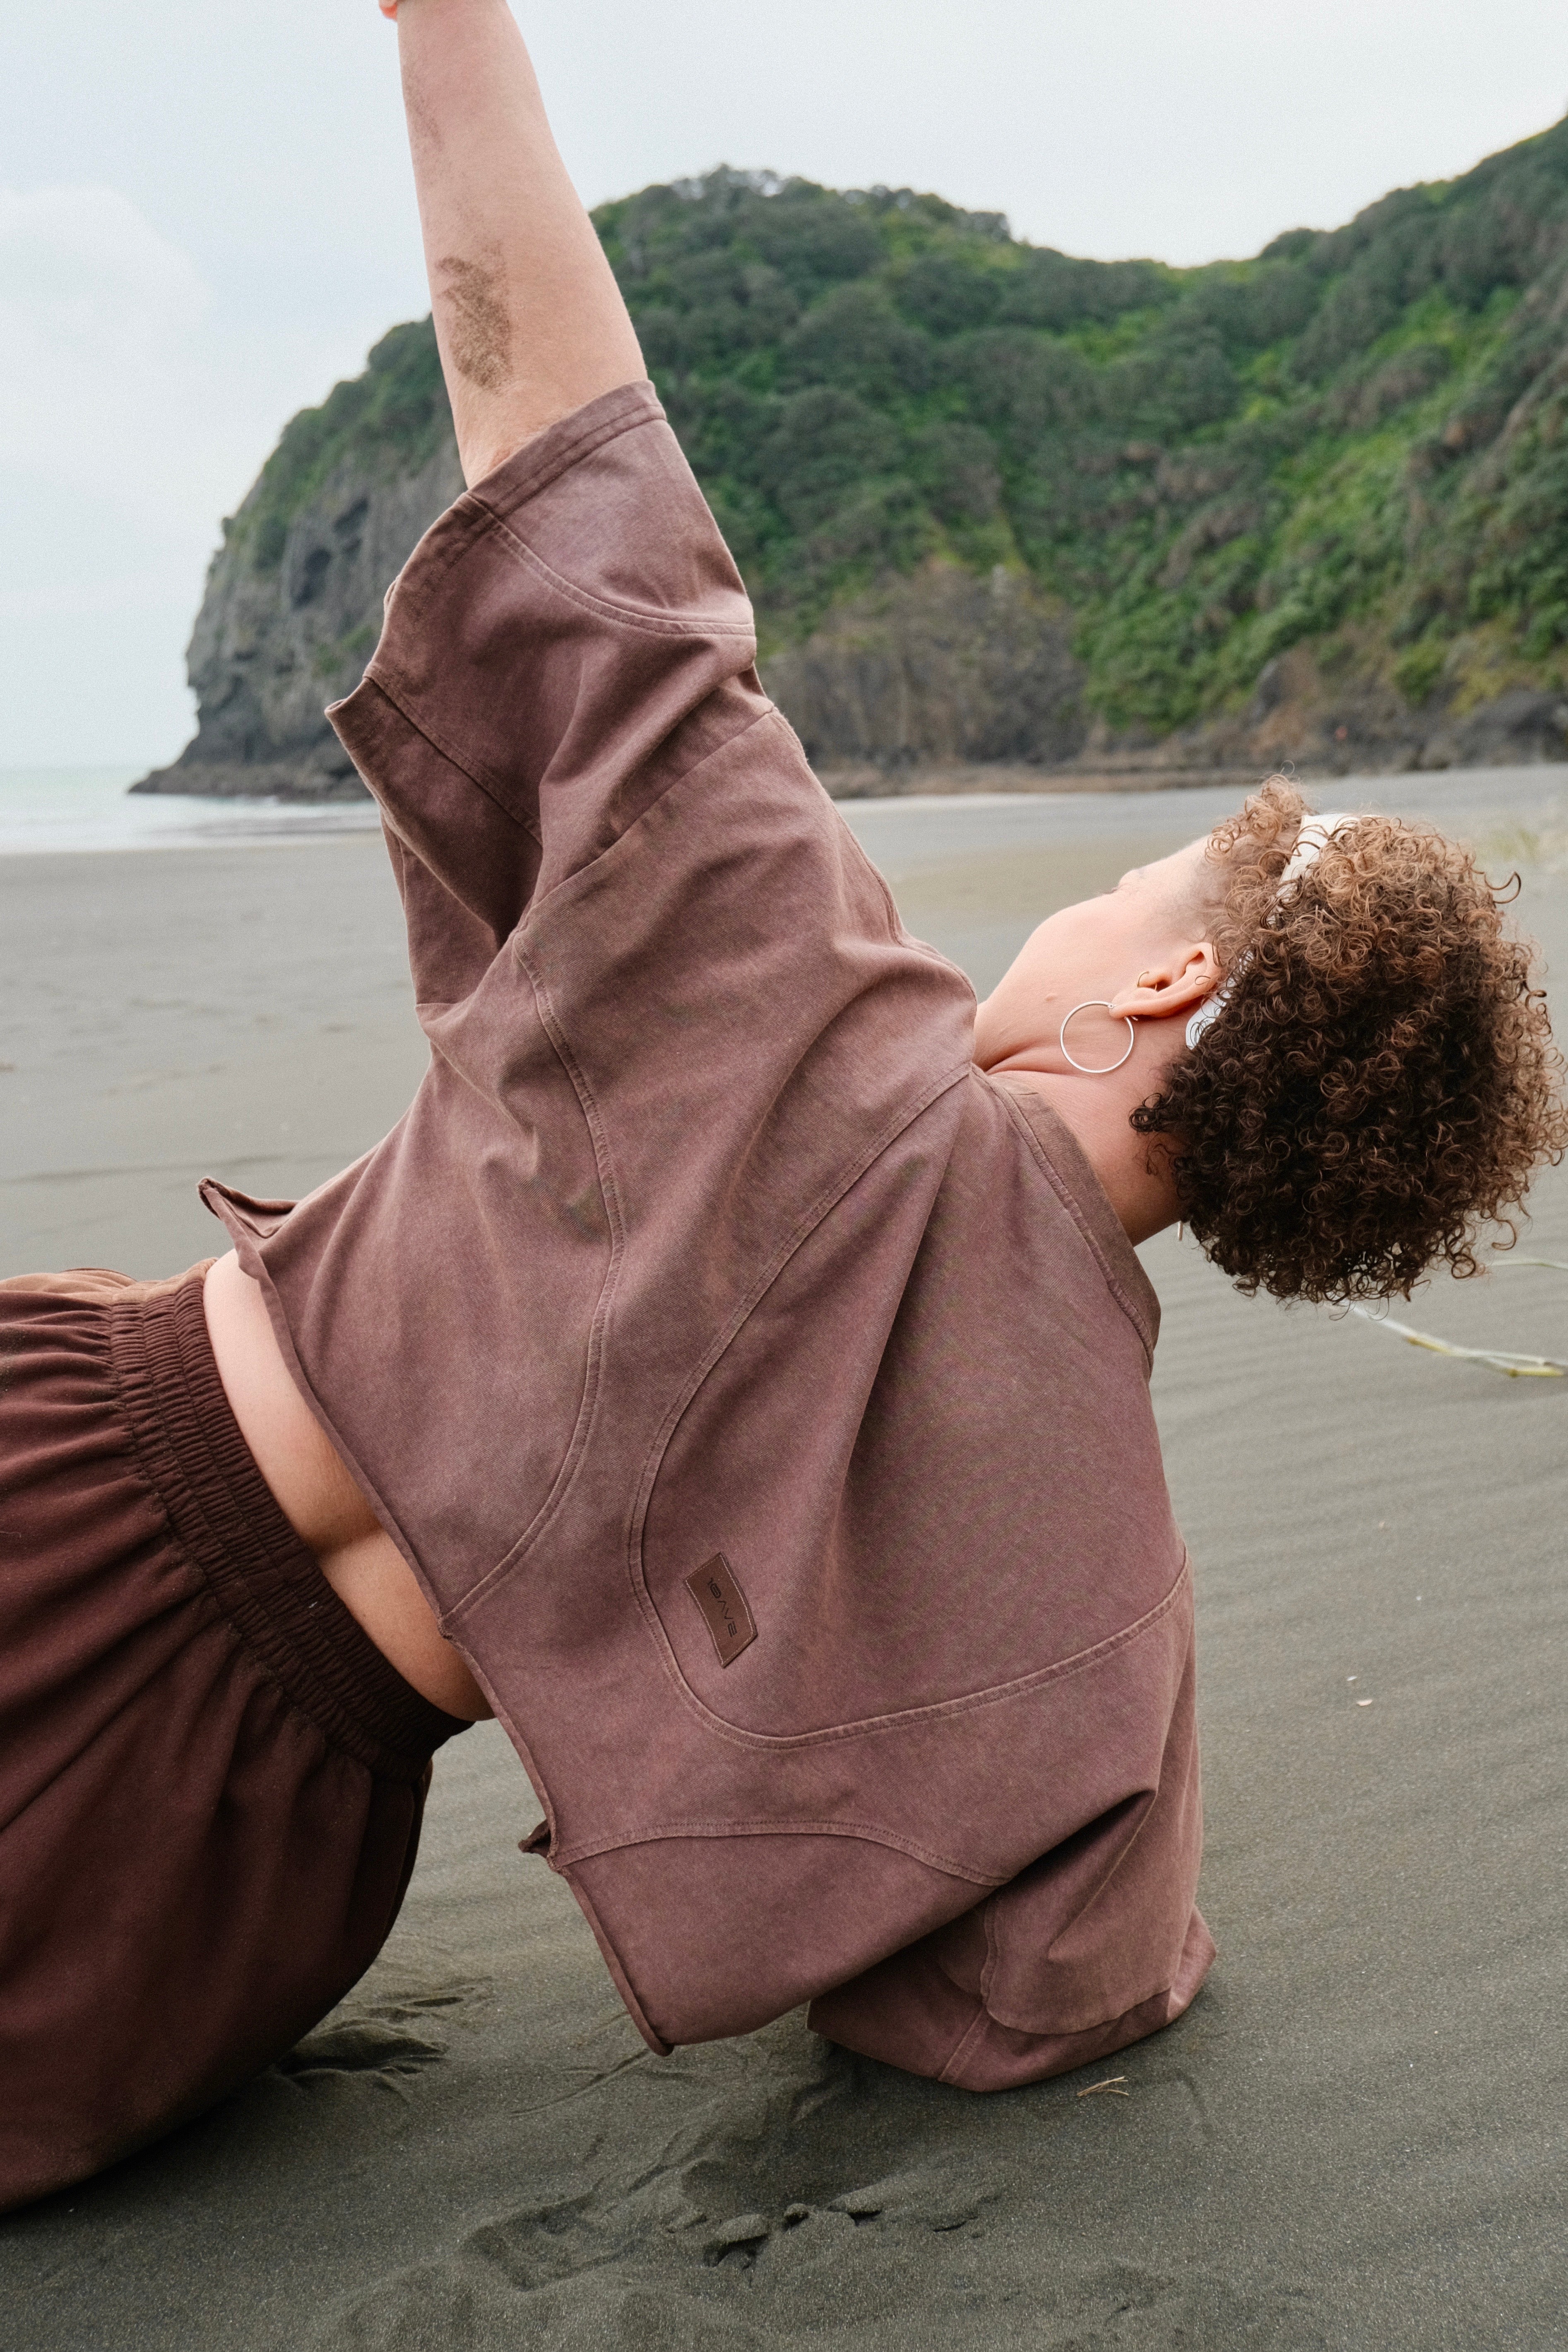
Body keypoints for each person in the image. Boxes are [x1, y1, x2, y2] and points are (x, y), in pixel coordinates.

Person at [1, 0, 1563, 2214]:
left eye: (1120, 886)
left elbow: (562, 449)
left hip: (71, 1484)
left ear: (1175, 971)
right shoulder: (1110, 1565)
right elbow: (1037, 1995)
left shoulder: (781, 973)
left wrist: (448, 27)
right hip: (238, 1874)